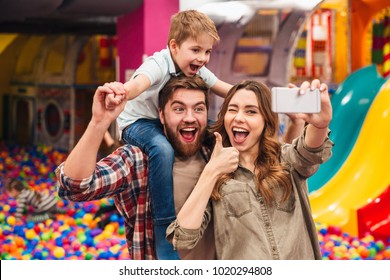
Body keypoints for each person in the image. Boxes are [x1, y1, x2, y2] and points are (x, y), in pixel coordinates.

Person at [103, 10, 232, 259]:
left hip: (163, 121)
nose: (203, 58)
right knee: (162, 149)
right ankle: (164, 223)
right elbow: (140, 82)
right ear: (174, 46)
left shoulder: (195, 70)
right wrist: (123, 92)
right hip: (138, 123)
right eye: (196, 50)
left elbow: (222, 87)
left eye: (207, 52)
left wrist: (254, 96)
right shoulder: (158, 63)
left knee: (217, 129)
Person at [166, 79, 334, 260]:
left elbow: (311, 152)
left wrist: (320, 125)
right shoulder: (215, 175)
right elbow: (182, 238)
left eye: (251, 111)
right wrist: (212, 171)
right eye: (232, 110)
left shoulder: (285, 159)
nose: (239, 117)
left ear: (265, 121)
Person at [56, 75, 218, 260]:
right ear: (162, 115)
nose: (190, 118)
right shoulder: (139, 160)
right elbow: (74, 187)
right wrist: (98, 123)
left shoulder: (215, 155)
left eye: (198, 109)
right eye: (179, 109)